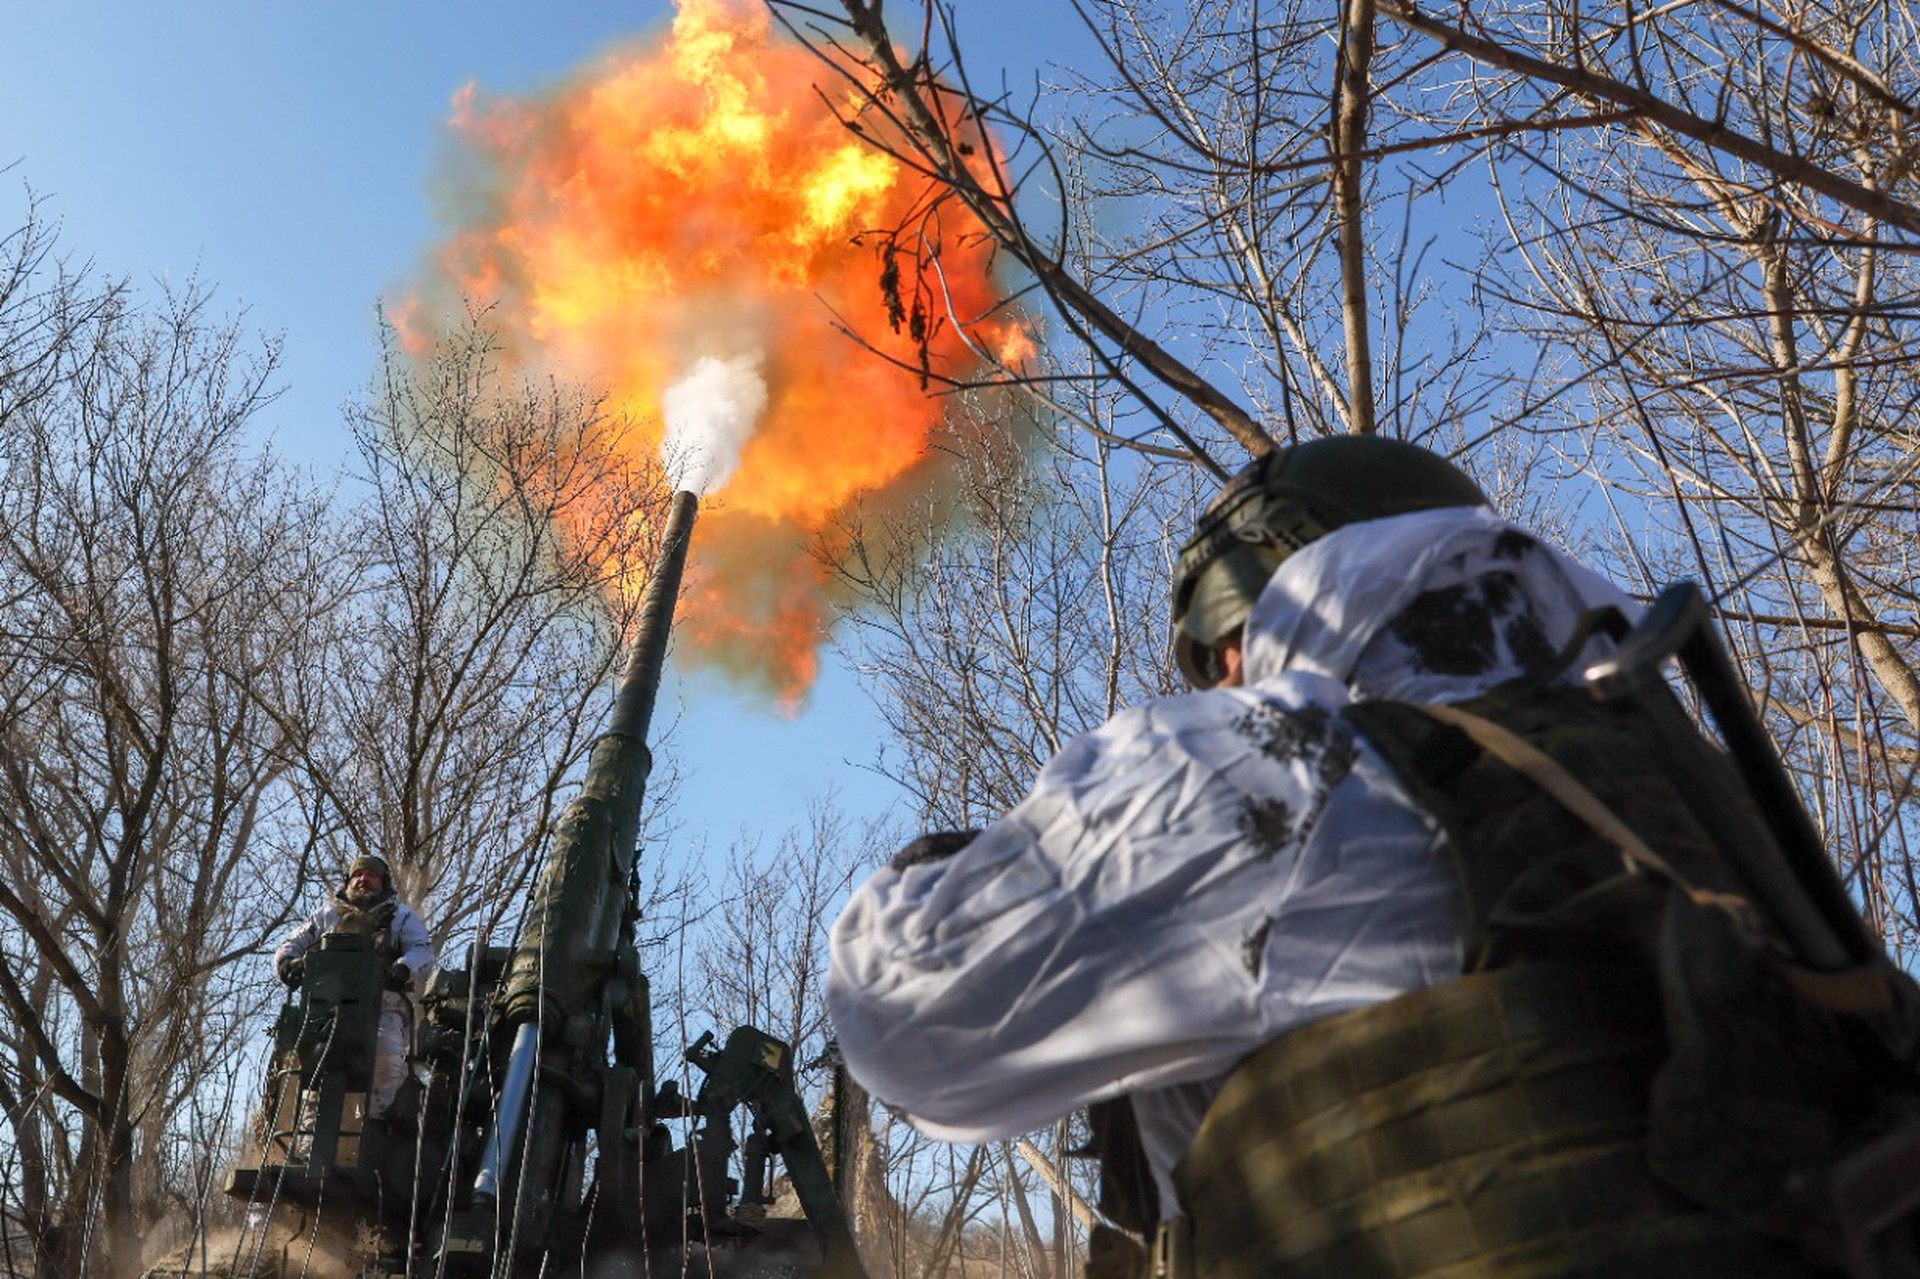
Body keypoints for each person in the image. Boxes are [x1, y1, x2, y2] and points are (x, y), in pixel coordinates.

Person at [827, 437, 1877, 1276]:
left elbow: (904, 1016)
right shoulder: (1689, 795)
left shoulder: (1299, 770)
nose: (1225, 689)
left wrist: (941, 872)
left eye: (1225, 663)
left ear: (1267, 615)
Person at [275, 853, 436, 1120]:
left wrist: (402, 968)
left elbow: (422, 950)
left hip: (383, 1004)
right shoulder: (327, 915)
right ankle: (307, 1145)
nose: (364, 879)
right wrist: (287, 963)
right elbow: (292, 943)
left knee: (388, 1060)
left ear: (383, 883)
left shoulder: (400, 917)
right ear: (349, 881)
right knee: (314, 1070)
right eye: (359, 874)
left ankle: (375, 1126)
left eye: (372, 875)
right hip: (326, 1010)